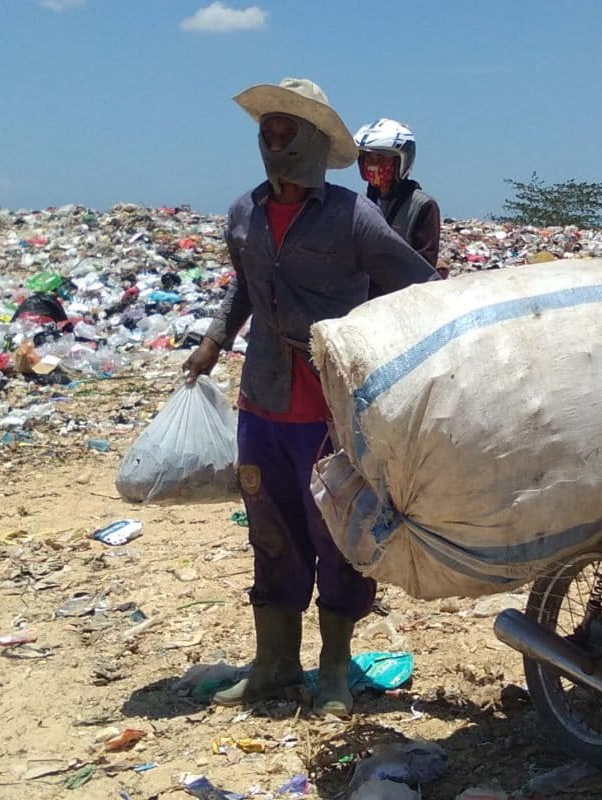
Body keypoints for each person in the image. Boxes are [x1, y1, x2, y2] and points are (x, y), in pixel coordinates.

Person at [183, 78, 438, 717]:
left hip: (330, 411)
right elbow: (245, 286)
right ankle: (274, 666)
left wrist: (374, 350)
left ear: (315, 143)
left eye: (285, 131)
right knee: (271, 532)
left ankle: (333, 672)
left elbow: (419, 286)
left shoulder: (353, 216)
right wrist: (214, 340)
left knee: (338, 535)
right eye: (266, 131)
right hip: (262, 405)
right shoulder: (243, 212)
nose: (273, 142)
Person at [353, 119, 444, 276]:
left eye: (381, 158)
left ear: (401, 161)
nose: (374, 165)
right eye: (369, 158)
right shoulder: (359, 204)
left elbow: (424, 267)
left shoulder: (423, 206)